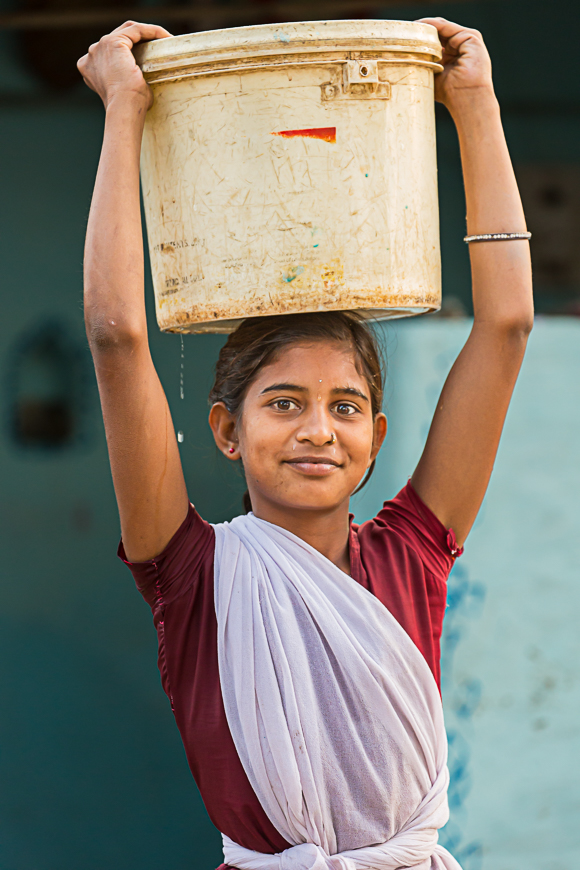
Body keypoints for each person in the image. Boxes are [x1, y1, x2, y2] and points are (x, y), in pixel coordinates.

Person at [78, 16, 533, 870]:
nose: (319, 429)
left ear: (376, 435)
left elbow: (506, 326)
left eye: (346, 407)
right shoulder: (191, 574)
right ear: (226, 429)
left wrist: (476, 105)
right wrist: (124, 111)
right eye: (283, 402)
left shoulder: (412, 555)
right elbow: (114, 337)